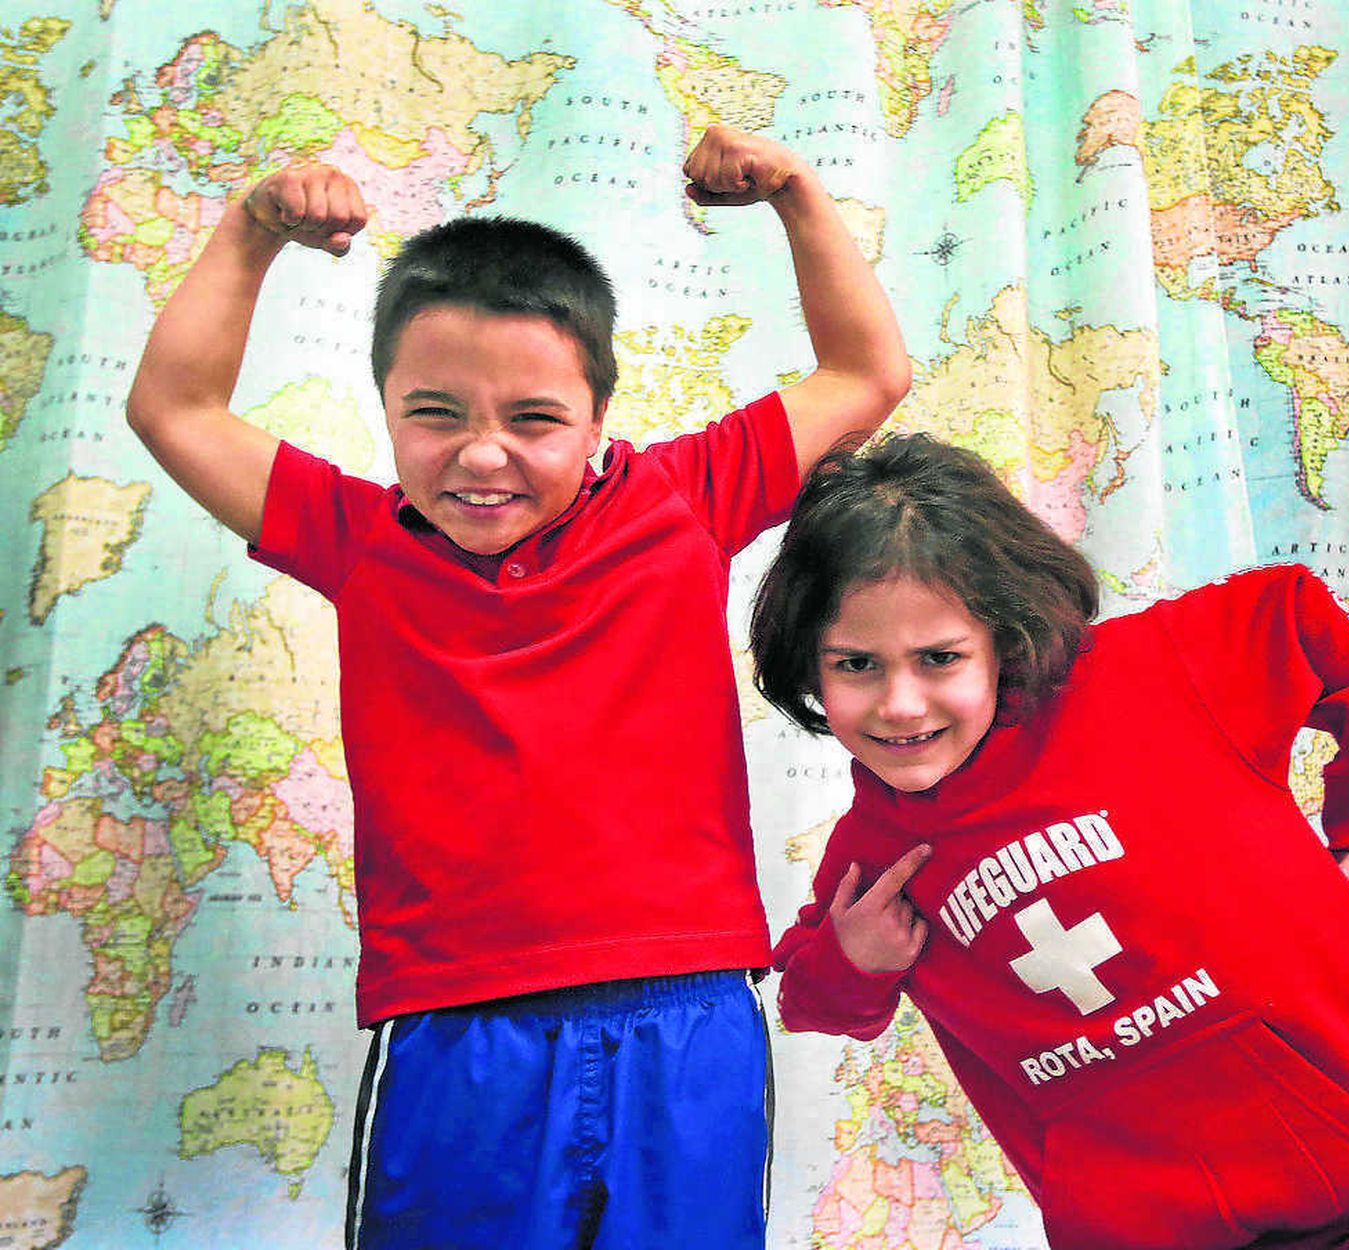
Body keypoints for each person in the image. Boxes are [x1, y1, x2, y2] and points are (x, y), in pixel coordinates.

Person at [124, 126, 910, 1249]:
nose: (482, 455)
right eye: (434, 412)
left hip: (688, 1013)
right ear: (385, 407)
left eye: (534, 419)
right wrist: (254, 231)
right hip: (458, 1030)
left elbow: (866, 374)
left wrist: (794, 194)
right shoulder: (356, 539)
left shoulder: (682, 499)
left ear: (598, 420)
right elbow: (175, 409)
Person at [752, 435, 1349, 1250]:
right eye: (856, 664)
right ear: (808, 667)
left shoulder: (1156, 673)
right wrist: (856, 959)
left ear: (1004, 635)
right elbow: (809, 1001)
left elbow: (1302, 616)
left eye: (940, 657)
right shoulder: (876, 852)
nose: (899, 703)